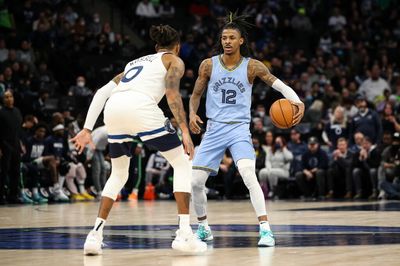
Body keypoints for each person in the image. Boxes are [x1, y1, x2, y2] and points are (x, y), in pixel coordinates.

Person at [70, 25, 207, 255]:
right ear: (177, 47)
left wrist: (87, 128)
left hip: (114, 109)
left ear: (155, 48)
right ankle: (184, 233)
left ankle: (94, 236)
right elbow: (172, 94)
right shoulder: (174, 60)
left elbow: (102, 93)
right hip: (141, 107)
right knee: (182, 162)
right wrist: (184, 130)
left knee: (118, 174)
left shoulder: (134, 63)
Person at [189, 12, 304, 247]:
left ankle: (265, 230)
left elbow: (278, 84)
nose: (227, 41)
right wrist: (192, 112)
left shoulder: (252, 66)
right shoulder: (208, 65)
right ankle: (203, 227)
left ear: (241, 40)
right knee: (195, 182)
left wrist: (297, 101)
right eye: (224, 38)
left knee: (248, 174)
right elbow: (196, 94)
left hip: (239, 128)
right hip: (213, 129)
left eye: (232, 37)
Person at [0, 90, 23, 203]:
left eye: (10, 96)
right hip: (4, 145)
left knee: (16, 171)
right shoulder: (1, 112)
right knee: (3, 172)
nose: (8, 99)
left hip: (16, 145)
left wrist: (21, 144)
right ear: (3, 100)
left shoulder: (17, 111)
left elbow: (18, 130)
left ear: (13, 98)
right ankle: (1, 196)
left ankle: (13, 196)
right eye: (6, 97)